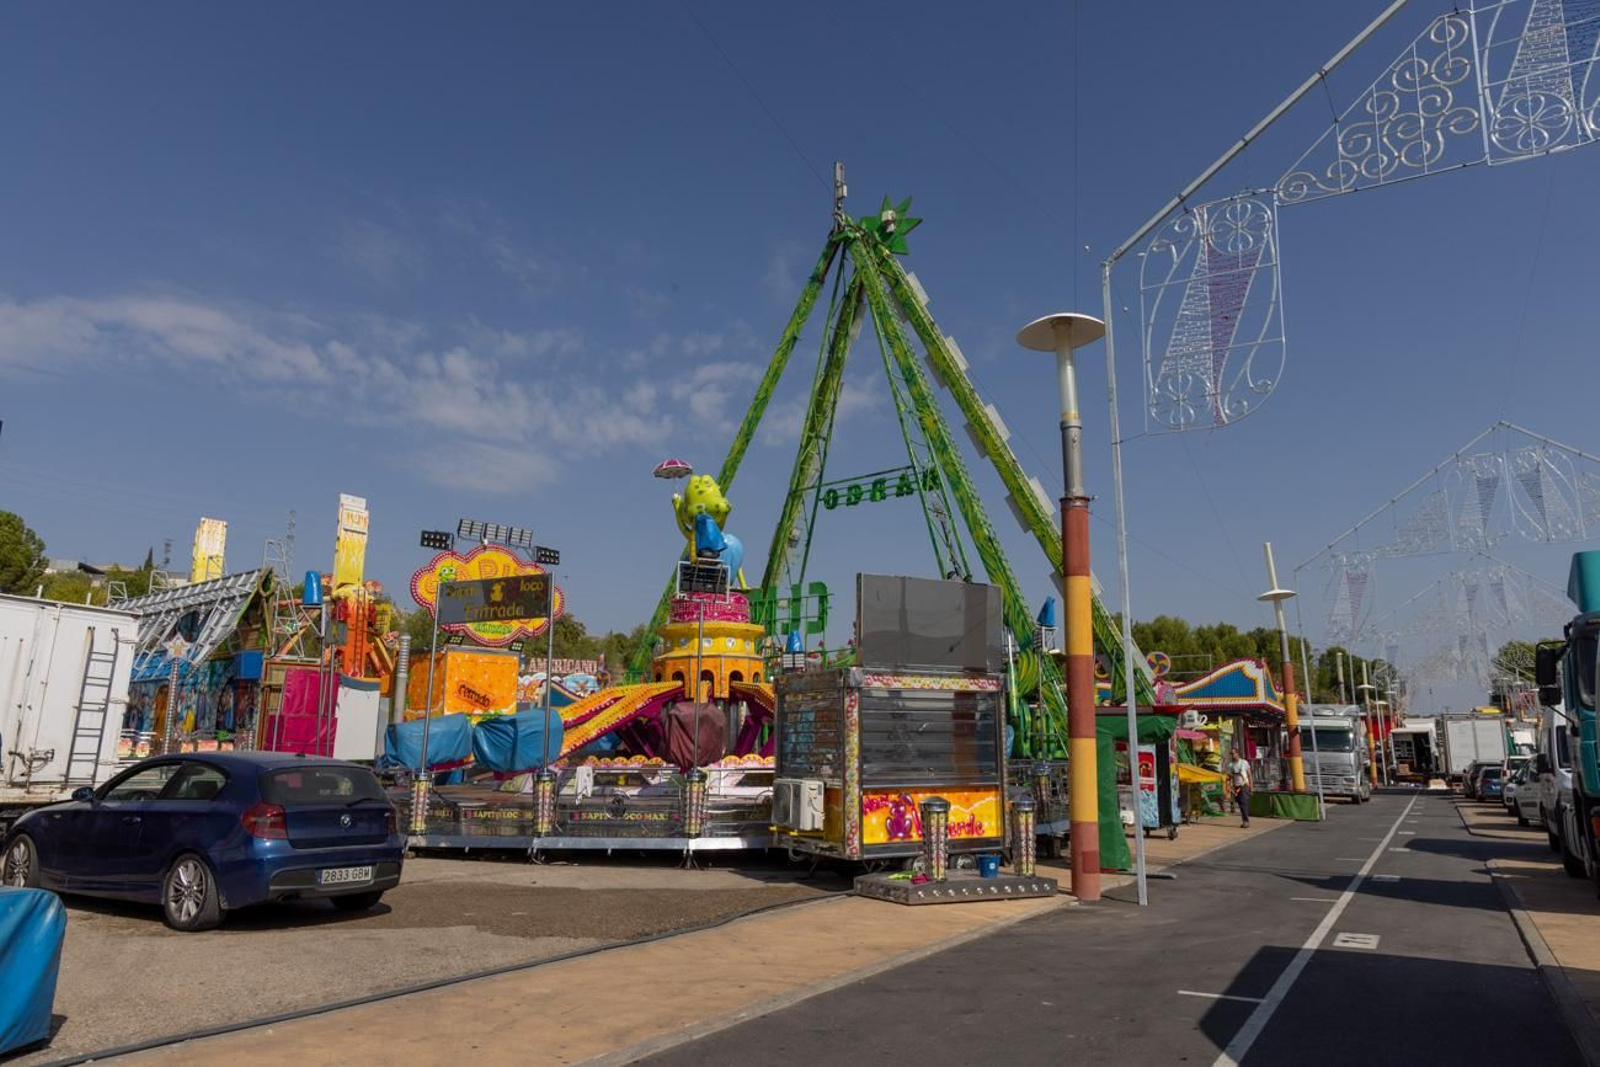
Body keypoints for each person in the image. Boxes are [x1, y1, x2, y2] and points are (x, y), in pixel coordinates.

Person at [1229, 749, 1253, 828]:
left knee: (1243, 803)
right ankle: (1244, 821)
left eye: (1233, 753)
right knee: (1240, 804)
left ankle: (1246, 821)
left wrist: (1251, 787)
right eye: (1231, 754)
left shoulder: (1244, 762)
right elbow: (1230, 777)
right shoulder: (1231, 765)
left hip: (1244, 786)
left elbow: (1249, 775)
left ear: (1237, 753)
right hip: (1236, 787)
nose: (1232, 755)